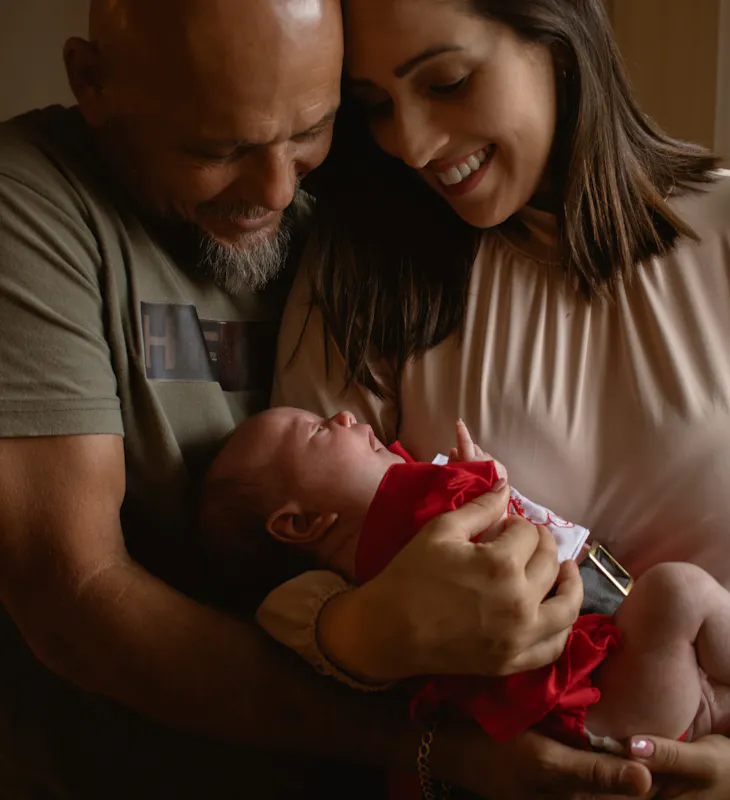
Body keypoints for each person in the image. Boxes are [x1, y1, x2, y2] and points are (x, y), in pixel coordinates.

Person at [0, 1, 630, 798]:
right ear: (93, 83)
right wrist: (435, 749)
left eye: (309, 132)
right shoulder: (31, 206)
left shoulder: (373, 184)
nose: (275, 189)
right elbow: (75, 598)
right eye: (219, 148)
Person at [265, 0, 730, 797]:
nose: (407, 142)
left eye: (446, 81)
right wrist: (370, 636)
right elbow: (268, 583)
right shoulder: (363, 277)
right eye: (376, 104)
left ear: (556, 39)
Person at [201, 405, 730, 759]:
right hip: (599, 700)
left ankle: (718, 706)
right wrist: (475, 481)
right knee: (678, 592)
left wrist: (477, 479)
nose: (346, 416)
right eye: (320, 431)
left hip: (593, 699)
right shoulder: (395, 524)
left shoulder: (374, 558)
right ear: (299, 523)